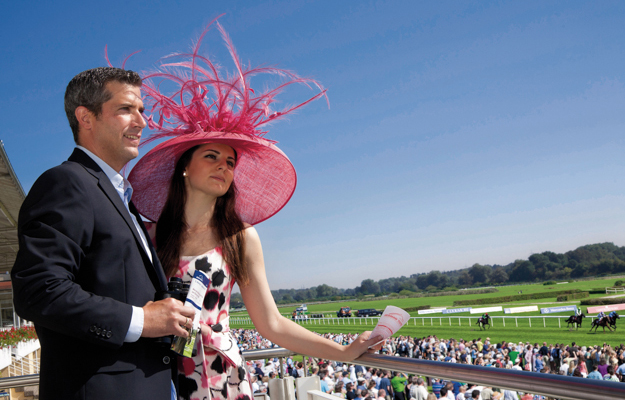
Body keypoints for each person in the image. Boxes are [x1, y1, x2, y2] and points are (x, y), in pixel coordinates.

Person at [128, 19, 381, 400]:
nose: (223, 167)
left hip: (223, 385)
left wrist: (342, 352)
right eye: (211, 156)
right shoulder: (148, 236)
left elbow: (273, 323)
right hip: (158, 381)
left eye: (230, 162)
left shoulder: (240, 237)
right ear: (184, 166)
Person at [11, 67, 197, 400]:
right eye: (126, 109)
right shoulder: (66, 183)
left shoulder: (121, 198)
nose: (141, 122)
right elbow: (38, 291)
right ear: (86, 117)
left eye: (142, 110)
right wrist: (141, 319)